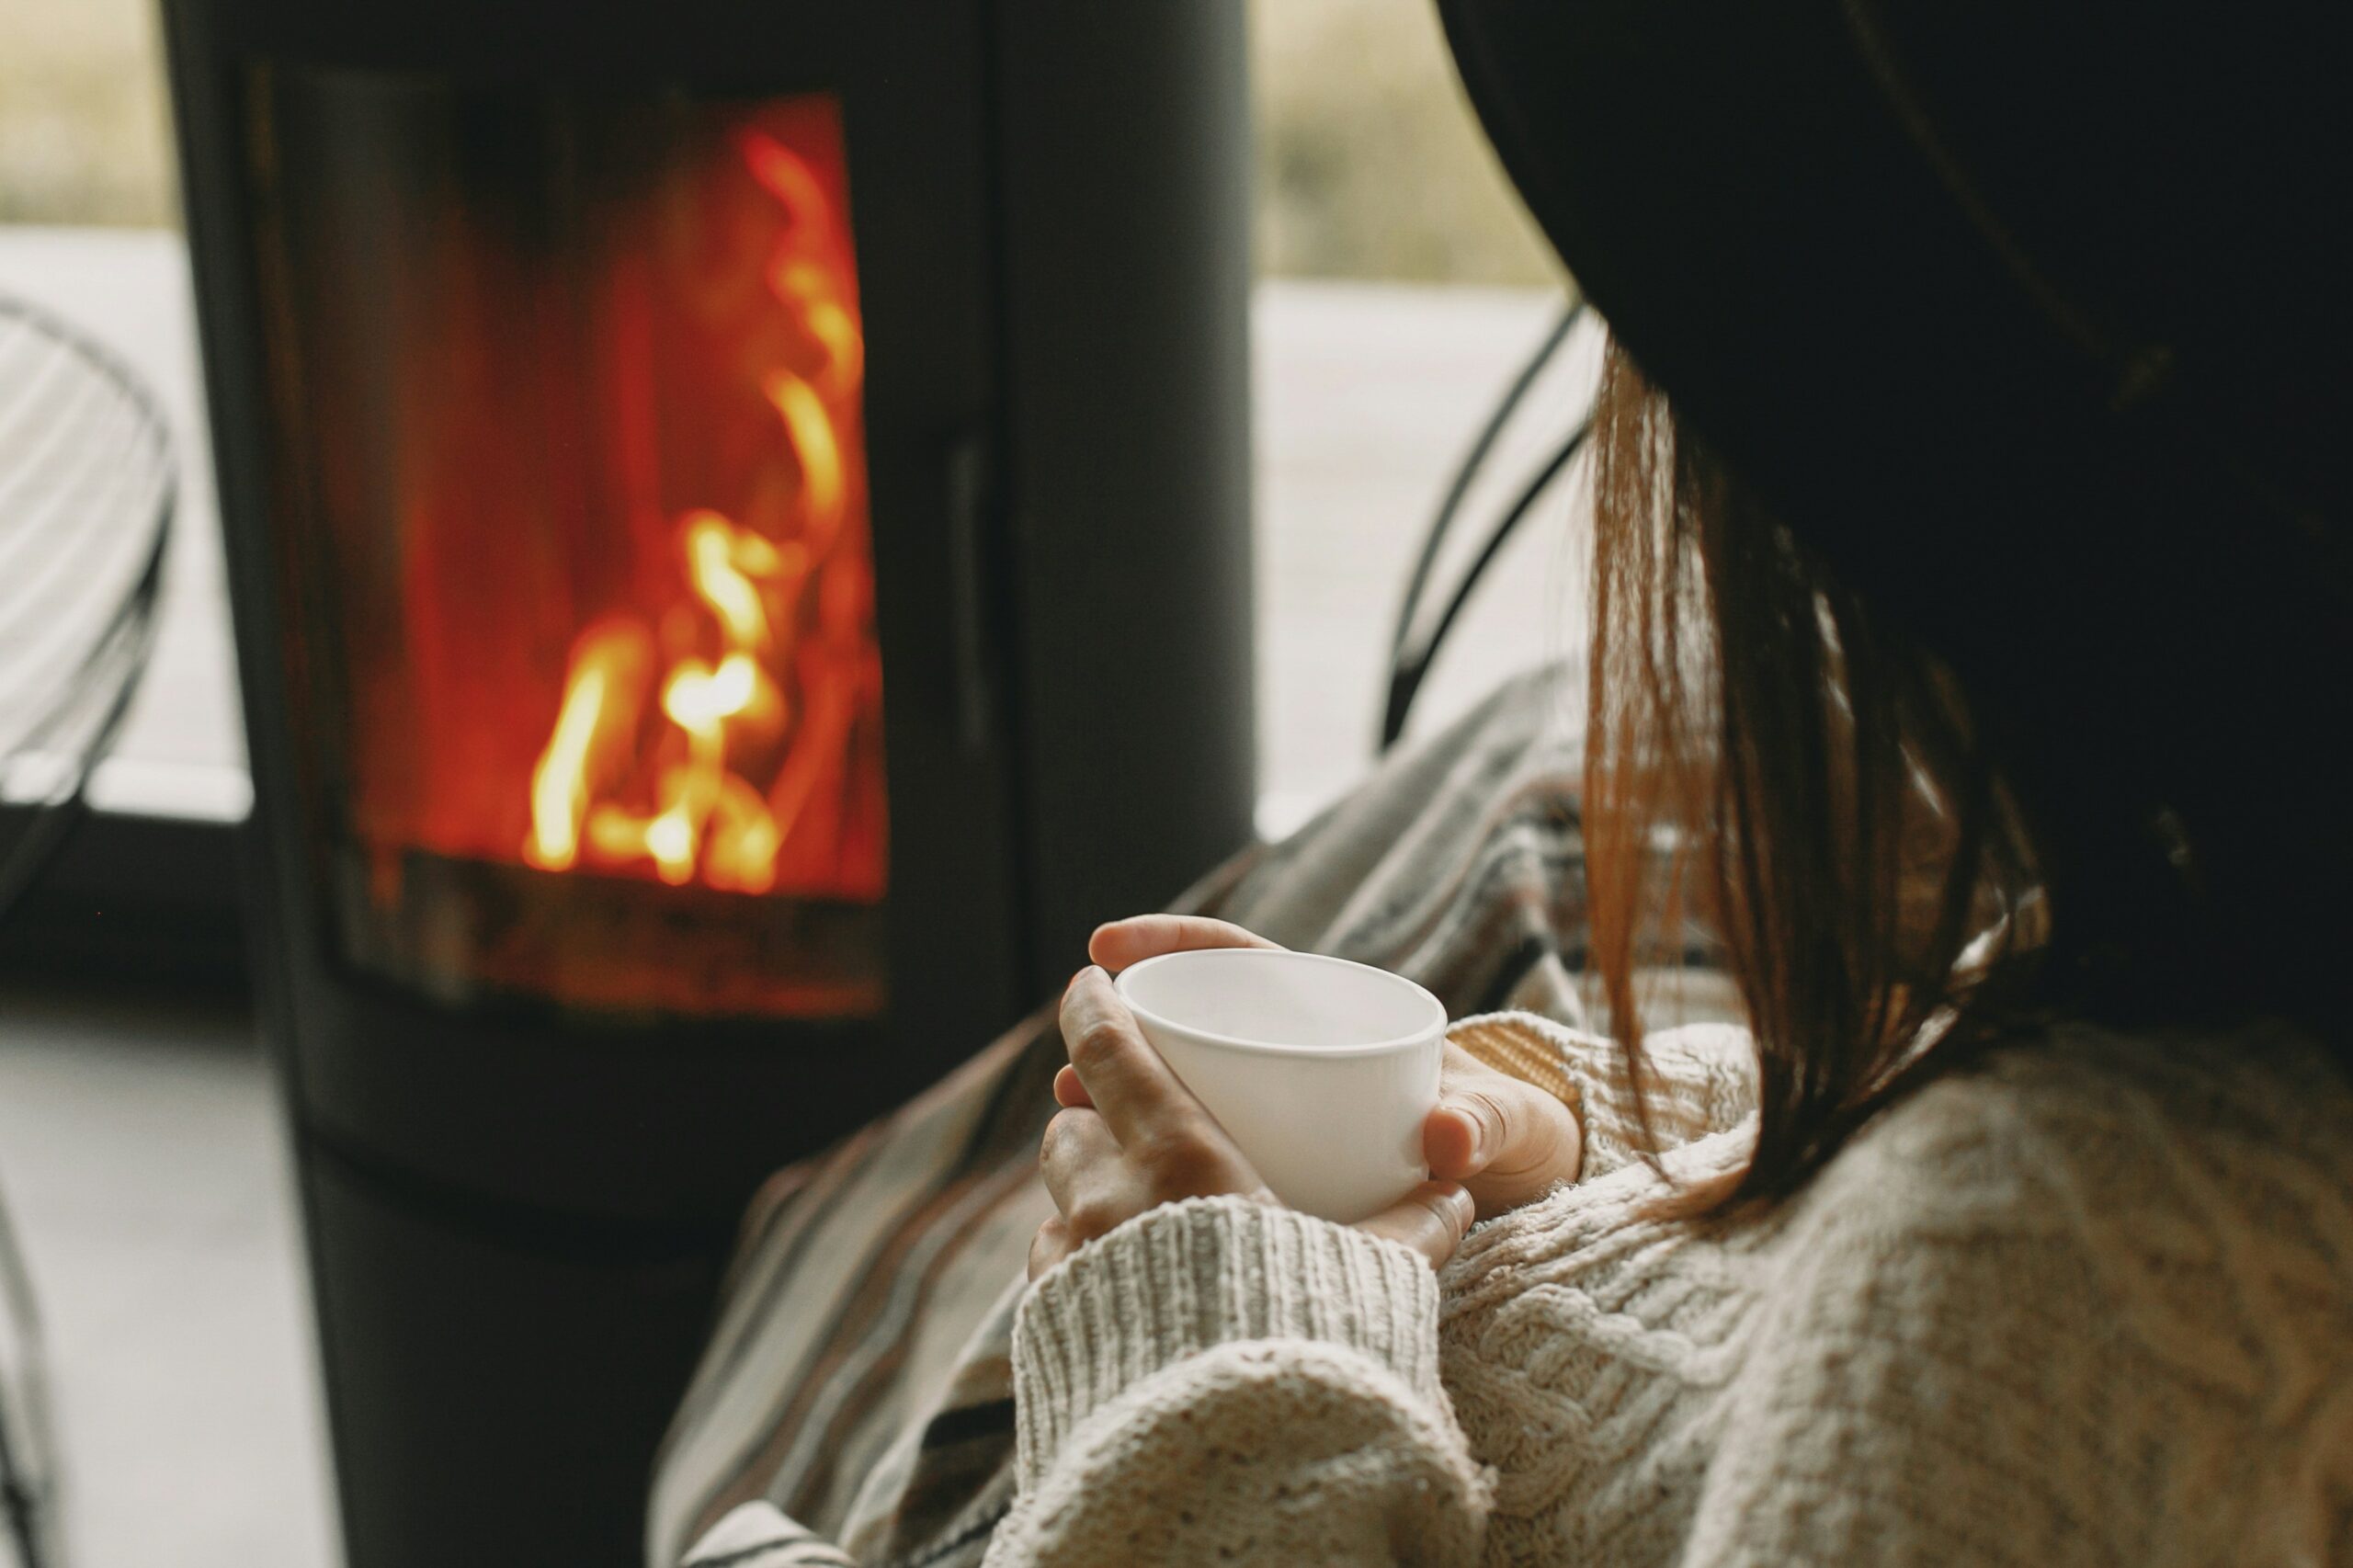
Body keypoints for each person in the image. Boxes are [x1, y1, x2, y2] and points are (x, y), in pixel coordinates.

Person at [1001, 1, 2353, 1562]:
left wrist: (1197, 1367)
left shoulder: (2065, 1261)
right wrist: (1575, 1130)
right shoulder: (2233, 929)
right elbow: (1929, 1131)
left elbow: (1993, 1268)